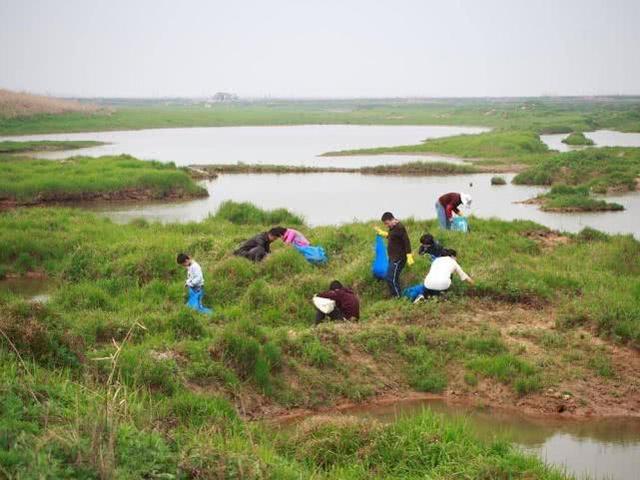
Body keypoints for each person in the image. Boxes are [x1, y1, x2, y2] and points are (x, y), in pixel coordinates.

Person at [374, 212, 414, 298]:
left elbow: (406, 241)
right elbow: (393, 237)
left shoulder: (399, 227)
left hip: (398, 258)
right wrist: (383, 233)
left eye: (386, 223)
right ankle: (396, 296)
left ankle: (397, 297)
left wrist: (409, 255)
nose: (386, 225)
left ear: (391, 220)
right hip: (393, 258)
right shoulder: (393, 227)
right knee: (391, 277)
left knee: (391, 278)